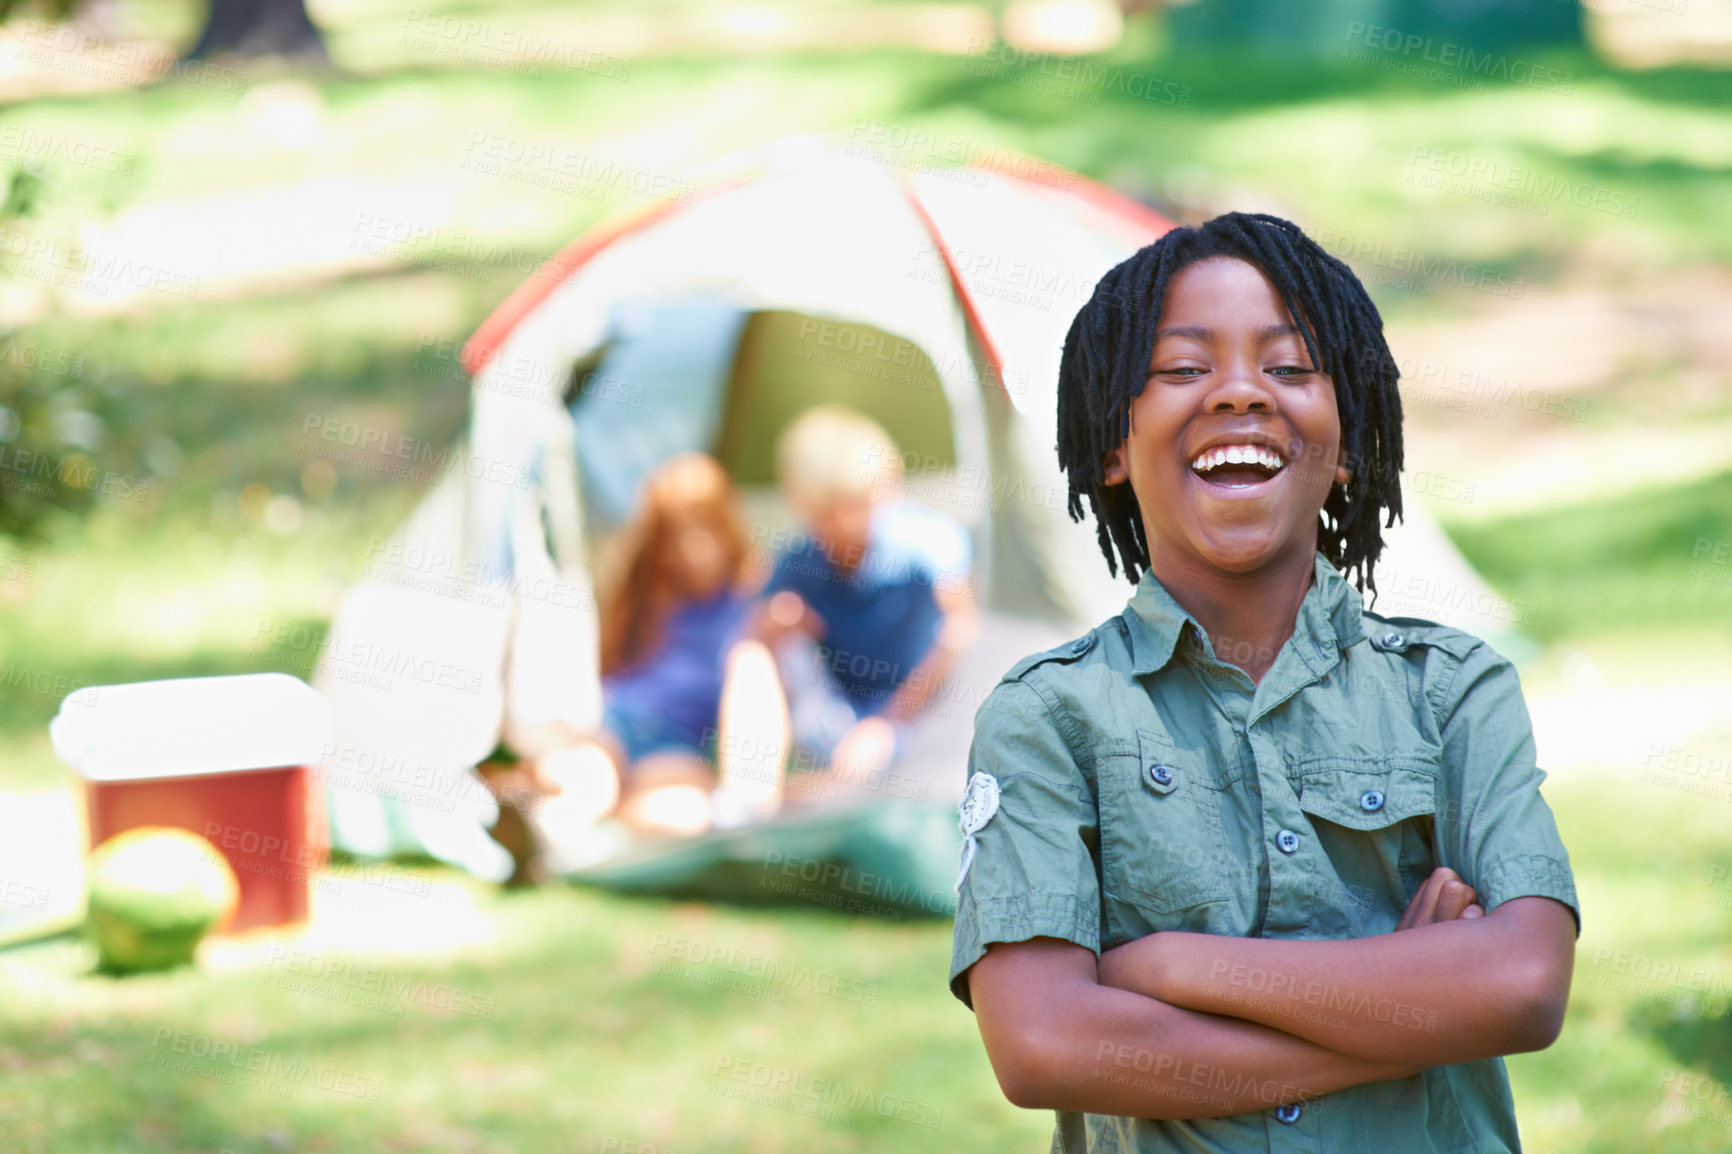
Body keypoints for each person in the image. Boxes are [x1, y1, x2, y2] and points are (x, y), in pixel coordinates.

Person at [950, 213, 1580, 1151]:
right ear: (1111, 445)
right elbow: (1043, 1045)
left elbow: (1523, 989)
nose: (1240, 391)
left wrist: (1166, 967)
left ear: (1351, 439)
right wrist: (1415, 997)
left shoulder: (1451, 692)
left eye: (1289, 368)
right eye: (1181, 369)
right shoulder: (1048, 716)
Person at [749, 406, 977, 792]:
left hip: (917, 715)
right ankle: (753, 793)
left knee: (858, 772)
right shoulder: (801, 558)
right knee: (756, 651)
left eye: (859, 504)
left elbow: (960, 631)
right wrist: (776, 625)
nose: (846, 522)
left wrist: (889, 722)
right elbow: (753, 638)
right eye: (828, 511)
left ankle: (815, 793)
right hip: (835, 719)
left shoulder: (929, 547)